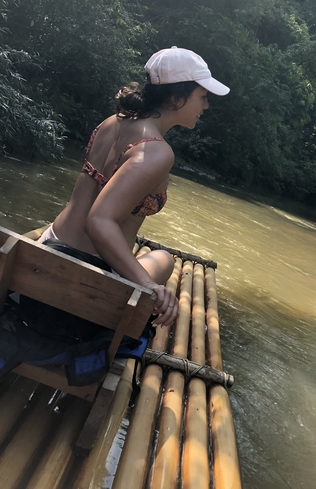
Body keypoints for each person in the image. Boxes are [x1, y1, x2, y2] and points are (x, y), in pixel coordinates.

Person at [37, 46, 230, 329]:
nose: (206, 106)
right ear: (177, 99)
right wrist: (149, 285)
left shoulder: (113, 122)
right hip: (84, 280)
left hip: (47, 247)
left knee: (158, 260)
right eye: (202, 97)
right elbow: (99, 221)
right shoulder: (156, 151)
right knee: (163, 260)